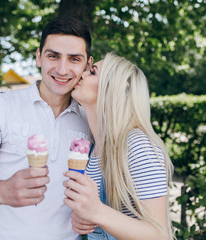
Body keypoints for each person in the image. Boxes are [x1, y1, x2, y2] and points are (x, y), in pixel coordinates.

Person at [0, 16, 93, 240]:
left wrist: (94, 212)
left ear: (87, 65)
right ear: (39, 57)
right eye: (53, 56)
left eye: (74, 59)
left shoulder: (92, 118)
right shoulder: (1, 105)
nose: (62, 69)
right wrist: (2, 190)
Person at [63, 52, 174, 239]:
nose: (82, 73)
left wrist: (97, 212)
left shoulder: (137, 145)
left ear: (111, 89)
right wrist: (85, 218)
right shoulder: (92, 150)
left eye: (92, 72)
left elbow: (160, 235)